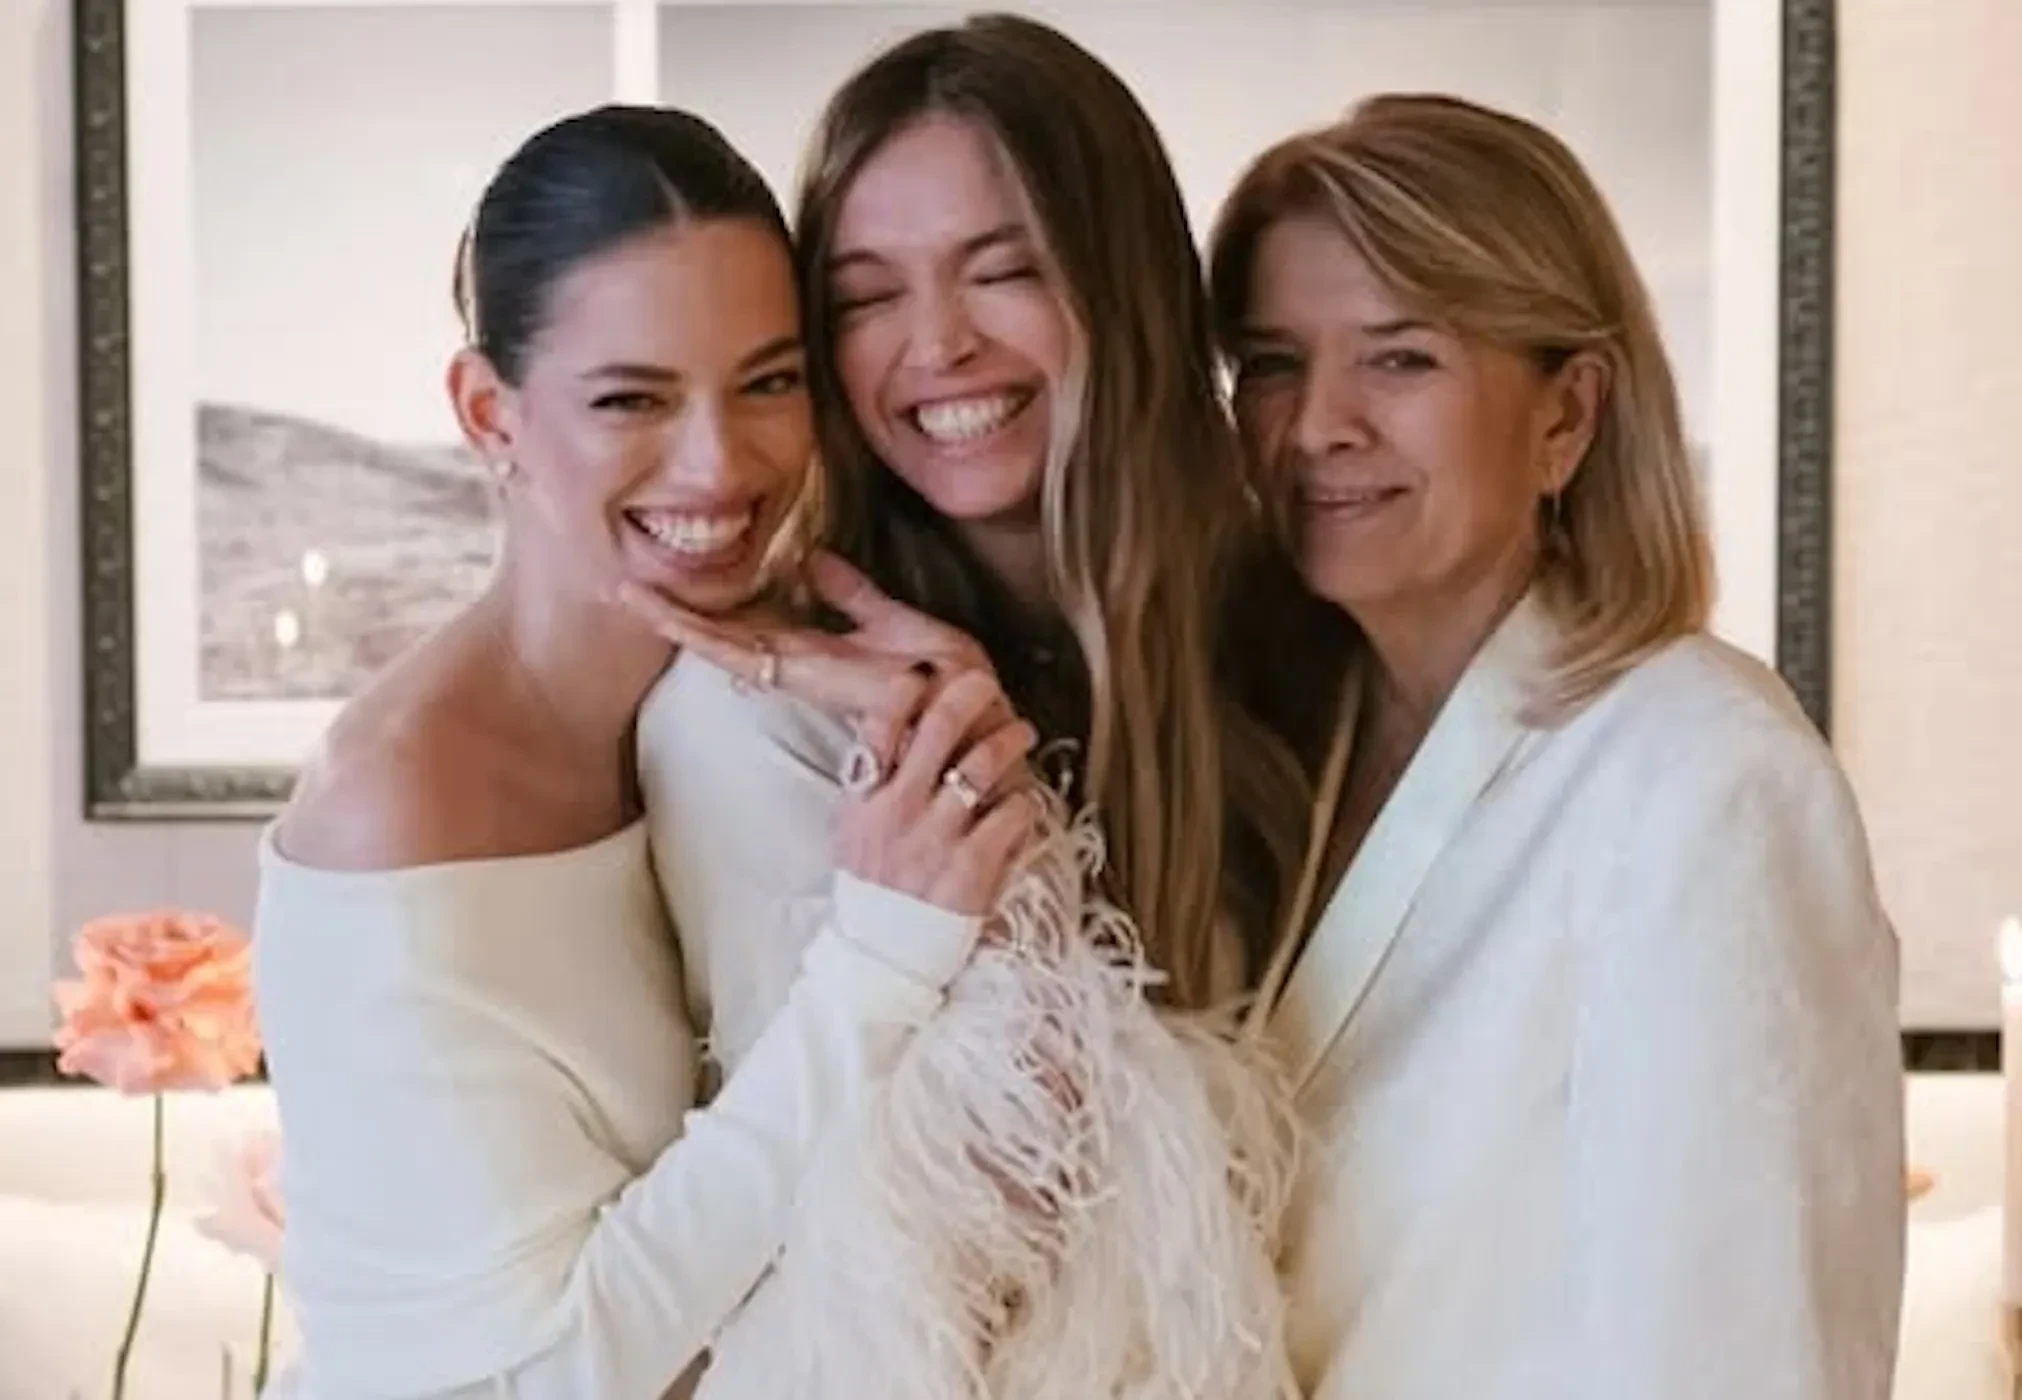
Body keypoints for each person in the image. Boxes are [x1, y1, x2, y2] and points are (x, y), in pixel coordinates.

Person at [251, 105, 1035, 1400]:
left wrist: (943, 739)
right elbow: (550, 1370)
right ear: (489, 413)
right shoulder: (394, 813)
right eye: (632, 398)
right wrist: (881, 960)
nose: (720, 465)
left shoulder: (748, 704)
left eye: (769, 382)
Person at [623, 14, 1309, 1397]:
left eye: (1004, 271)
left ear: (1128, 286)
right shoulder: (762, 723)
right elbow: (883, 1276)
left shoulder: (1293, 648)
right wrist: (988, 821)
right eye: (865, 297)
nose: (935, 344)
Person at [1208, 92, 1905, 1400]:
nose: (1315, 426)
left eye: (1399, 359)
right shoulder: (1271, 752)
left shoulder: (1704, 779)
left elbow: (1744, 1358)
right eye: (1274, 362)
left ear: (1566, 416)